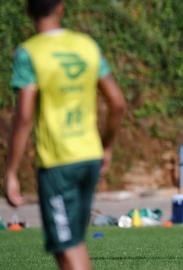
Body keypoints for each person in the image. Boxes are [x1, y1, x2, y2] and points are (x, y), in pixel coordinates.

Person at [4, 0, 126, 269]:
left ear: (27, 10)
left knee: (65, 247)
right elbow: (117, 103)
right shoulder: (86, 45)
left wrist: (11, 171)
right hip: (90, 156)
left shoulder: (29, 53)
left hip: (59, 162)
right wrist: (106, 146)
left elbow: (23, 116)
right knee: (73, 242)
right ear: (61, 7)